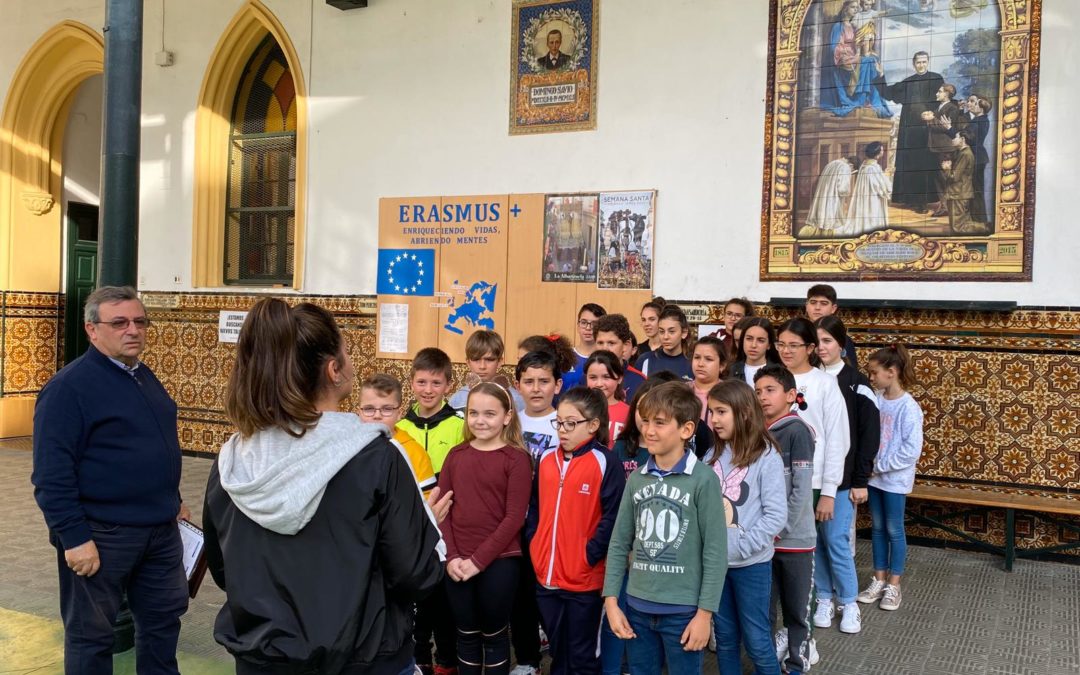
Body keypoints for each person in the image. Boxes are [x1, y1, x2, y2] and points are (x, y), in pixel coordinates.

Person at [202, 299, 444, 674]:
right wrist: (429, 530)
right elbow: (415, 575)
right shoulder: (377, 459)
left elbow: (223, 568)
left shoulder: (232, 461)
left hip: (263, 660)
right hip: (365, 660)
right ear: (334, 370)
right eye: (346, 353)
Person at [32, 285, 189, 674]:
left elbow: (155, 445)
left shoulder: (143, 375)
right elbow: (51, 475)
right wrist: (74, 538)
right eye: (119, 322)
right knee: (92, 637)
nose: (132, 330)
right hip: (102, 536)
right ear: (92, 329)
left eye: (139, 321)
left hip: (160, 530)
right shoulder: (68, 389)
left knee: (162, 627)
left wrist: (175, 498)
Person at [603, 382, 728, 675]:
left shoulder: (704, 480)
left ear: (686, 430)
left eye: (660, 423)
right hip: (636, 606)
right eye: (645, 421)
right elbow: (620, 541)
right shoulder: (637, 479)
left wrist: (704, 615)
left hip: (683, 611)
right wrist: (611, 601)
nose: (649, 430)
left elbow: (715, 552)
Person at [527, 387, 624, 675]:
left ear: (593, 425)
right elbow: (535, 508)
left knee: (583, 657)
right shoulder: (545, 459)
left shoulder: (606, 462)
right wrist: (535, 545)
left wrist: (590, 554)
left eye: (571, 423)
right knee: (558, 653)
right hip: (546, 577)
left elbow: (613, 517)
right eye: (559, 422)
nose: (563, 430)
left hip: (585, 581)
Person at [440, 383, 534, 675]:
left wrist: (478, 562)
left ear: (507, 416)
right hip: (457, 562)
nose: (480, 420)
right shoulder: (456, 455)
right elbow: (442, 511)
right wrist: (453, 557)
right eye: (473, 413)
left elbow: (514, 517)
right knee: (466, 636)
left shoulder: (516, 458)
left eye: (489, 414)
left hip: (499, 561)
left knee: (493, 636)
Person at [775, 318, 856, 635]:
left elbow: (838, 439)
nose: (786, 351)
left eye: (794, 345)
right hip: (778, 483)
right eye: (781, 344)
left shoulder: (825, 384)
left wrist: (828, 490)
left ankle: (845, 603)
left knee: (823, 544)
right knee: (792, 554)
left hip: (813, 482)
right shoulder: (774, 379)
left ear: (810, 348)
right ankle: (817, 600)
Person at [707, 380, 787, 675]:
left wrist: (740, 546)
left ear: (742, 413)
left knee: (756, 641)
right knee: (725, 639)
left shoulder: (767, 457)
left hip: (751, 566)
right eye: (711, 412)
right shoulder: (711, 456)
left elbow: (776, 515)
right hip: (716, 567)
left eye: (721, 411)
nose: (714, 419)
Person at [396, 347, 464, 675]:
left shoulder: (458, 425)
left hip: (446, 519)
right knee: (416, 593)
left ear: (448, 385)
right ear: (411, 383)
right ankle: (419, 655)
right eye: (421, 382)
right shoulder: (400, 427)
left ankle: (447, 659)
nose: (427, 389)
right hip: (409, 521)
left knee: (442, 595)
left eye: (435, 383)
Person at [814, 317, 880, 632]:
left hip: (841, 480)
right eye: (818, 341)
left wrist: (859, 480)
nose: (822, 347)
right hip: (813, 479)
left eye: (828, 341)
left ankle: (849, 602)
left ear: (841, 343)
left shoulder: (857, 382)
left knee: (837, 540)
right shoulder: (809, 379)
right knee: (817, 542)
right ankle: (824, 598)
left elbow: (869, 434)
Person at [754, 366, 819, 674]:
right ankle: (765, 664)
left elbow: (801, 490)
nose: (763, 397)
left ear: (791, 395)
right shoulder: (757, 432)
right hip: (765, 541)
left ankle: (796, 664)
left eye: (770, 390)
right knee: (764, 610)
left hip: (794, 540)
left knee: (796, 611)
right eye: (758, 391)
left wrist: (778, 530)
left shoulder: (797, 431)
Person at [858, 345, 924, 612]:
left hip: (894, 480)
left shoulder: (909, 408)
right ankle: (878, 579)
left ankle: (894, 584)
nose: (871, 378)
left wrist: (880, 466)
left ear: (892, 372)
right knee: (877, 528)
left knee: (894, 529)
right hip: (875, 478)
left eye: (875, 373)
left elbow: (911, 450)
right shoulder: (876, 398)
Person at [510, 351, 562, 675]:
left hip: (552, 518)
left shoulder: (565, 420)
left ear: (558, 384)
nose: (536, 388)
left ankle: (562, 654)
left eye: (544, 381)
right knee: (521, 594)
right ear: (518, 385)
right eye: (528, 381)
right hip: (516, 518)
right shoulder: (511, 419)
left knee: (552, 593)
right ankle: (528, 660)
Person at [874, 51, 945, 213]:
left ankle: (923, 202)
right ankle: (911, 200)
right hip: (909, 129)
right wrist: (881, 75)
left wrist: (933, 114)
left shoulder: (936, 79)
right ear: (914, 64)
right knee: (909, 163)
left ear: (928, 62)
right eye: (918, 62)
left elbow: (941, 100)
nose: (921, 65)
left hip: (927, 128)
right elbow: (888, 93)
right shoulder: (908, 82)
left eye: (924, 62)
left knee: (924, 164)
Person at [359, 373, 438, 495]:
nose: (377, 415)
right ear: (359, 412)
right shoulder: (349, 450)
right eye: (369, 409)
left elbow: (426, 499)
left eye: (387, 409)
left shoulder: (415, 453)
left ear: (399, 413)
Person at [823, 0, 892, 118]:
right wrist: (849, 53)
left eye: (857, 7)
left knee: (871, 59)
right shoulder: (839, 26)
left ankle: (867, 99)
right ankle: (860, 100)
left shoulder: (855, 26)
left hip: (856, 56)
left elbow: (860, 40)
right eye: (853, 7)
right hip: (844, 59)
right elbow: (835, 47)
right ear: (845, 9)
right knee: (865, 61)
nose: (856, 9)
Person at [450, 329, 526, 414]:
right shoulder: (457, 400)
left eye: (489, 360)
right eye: (476, 359)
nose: (482, 366)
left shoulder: (515, 399)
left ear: (500, 362)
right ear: (468, 362)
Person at [926, 84, 968, 217]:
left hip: (946, 148)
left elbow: (947, 127)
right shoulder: (939, 107)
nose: (937, 94)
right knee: (939, 178)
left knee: (946, 178)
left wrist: (930, 119)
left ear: (947, 94)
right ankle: (945, 206)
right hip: (937, 147)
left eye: (939, 92)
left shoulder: (952, 108)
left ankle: (950, 207)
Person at [840, 141, 891, 237]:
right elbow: (880, 187)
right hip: (872, 199)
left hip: (866, 197)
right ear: (877, 153)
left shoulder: (865, 166)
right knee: (872, 219)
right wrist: (887, 176)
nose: (883, 152)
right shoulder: (872, 168)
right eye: (882, 150)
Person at [942, 130, 986, 234]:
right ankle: (986, 227)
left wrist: (947, 169)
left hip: (958, 193)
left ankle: (987, 227)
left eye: (955, 137)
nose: (953, 140)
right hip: (961, 193)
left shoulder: (965, 154)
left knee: (958, 227)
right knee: (962, 224)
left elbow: (954, 177)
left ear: (963, 139)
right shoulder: (964, 152)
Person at [594, 313, 647, 400]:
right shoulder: (587, 378)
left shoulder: (640, 381)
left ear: (626, 345)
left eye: (611, 343)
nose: (604, 348)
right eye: (600, 343)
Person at [635, 305, 692, 380]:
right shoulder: (645, 360)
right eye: (661, 331)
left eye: (671, 331)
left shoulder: (693, 363)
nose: (665, 337)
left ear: (684, 333)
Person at [805, 284, 858, 363]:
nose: (817, 307)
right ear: (806, 306)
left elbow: (850, 370)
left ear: (833, 308)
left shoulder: (842, 339)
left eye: (824, 303)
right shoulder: (798, 335)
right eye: (813, 302)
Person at [584, 350, 629, 442]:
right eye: (593, 377)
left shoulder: (629, 413)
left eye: (606, 377)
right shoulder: (577, 409)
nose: (599, 384)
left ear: (619, 378)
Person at [804, 157, 854, 236]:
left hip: (823, 197)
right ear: (852, 165)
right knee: (834, 226)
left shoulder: (831, 164)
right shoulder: (846, 167)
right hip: (834, 200)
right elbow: (843, 190)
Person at [729, 317, 781, 387]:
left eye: (761, 340)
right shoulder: (731, 370)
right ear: (742, 341)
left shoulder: (779, 372)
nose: (753, 345)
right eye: (749, 339)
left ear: (769, 345)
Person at [691, 335, 727, 420]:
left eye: (708, 359)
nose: (700, 364)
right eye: (697, 357)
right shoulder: (681, 391)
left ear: (722, 365)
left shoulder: (731, 394)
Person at [632, 297, 666, 363]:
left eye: (652, 319)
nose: (647, 324)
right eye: (643, 320)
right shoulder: (638, 350)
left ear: (661, 320)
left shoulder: (669, 349)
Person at [575, 303, 607, 369]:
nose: (588, 328)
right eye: (584, 322)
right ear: (578, 326)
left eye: (594, 324)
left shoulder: (607, 358)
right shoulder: (566, 356)